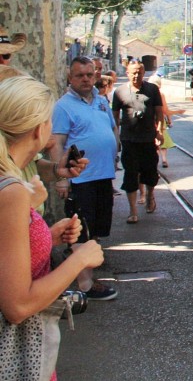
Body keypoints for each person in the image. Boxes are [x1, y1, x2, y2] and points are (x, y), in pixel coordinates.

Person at [0, 75, 105, 381]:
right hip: (17, 354)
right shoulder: (13, 191)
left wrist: (47, 235)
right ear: (38, 129)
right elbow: (18, 306)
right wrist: (79, 259)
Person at [48, 56, 119, 301]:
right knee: (81, 231)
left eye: (90, 74)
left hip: (102, 175)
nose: (86, 79)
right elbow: (56, 144)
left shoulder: (100, 102)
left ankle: (86, 274)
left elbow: (111, 129)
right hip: (80, 178)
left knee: (97, 227)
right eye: (80, 75)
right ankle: (85, 285)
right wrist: (61, 178)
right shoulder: (63, 106)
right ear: (70, 78)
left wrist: (115, 153)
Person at [111, 60, 164, 223]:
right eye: (133, 72)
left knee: (150, 172)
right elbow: (114, 117)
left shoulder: (152, 89)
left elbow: (159, 113)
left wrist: (160, 132)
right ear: (127, 73)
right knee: (131, 174)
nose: (136, 75)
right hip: (129, 139)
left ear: (144, 73)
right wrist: (116, 138)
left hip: (148, 138)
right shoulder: (119, 91)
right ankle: (133, 210)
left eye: (139, 72)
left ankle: (150, 195)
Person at [149, 76, 185, 168]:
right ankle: (164, 160)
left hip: (148, 121)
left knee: (152, 143)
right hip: (159, 121)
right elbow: (165, 111)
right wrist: (178, 112)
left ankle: (154, 163)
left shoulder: (146, 93)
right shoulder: (160, 94)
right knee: (162, 141)